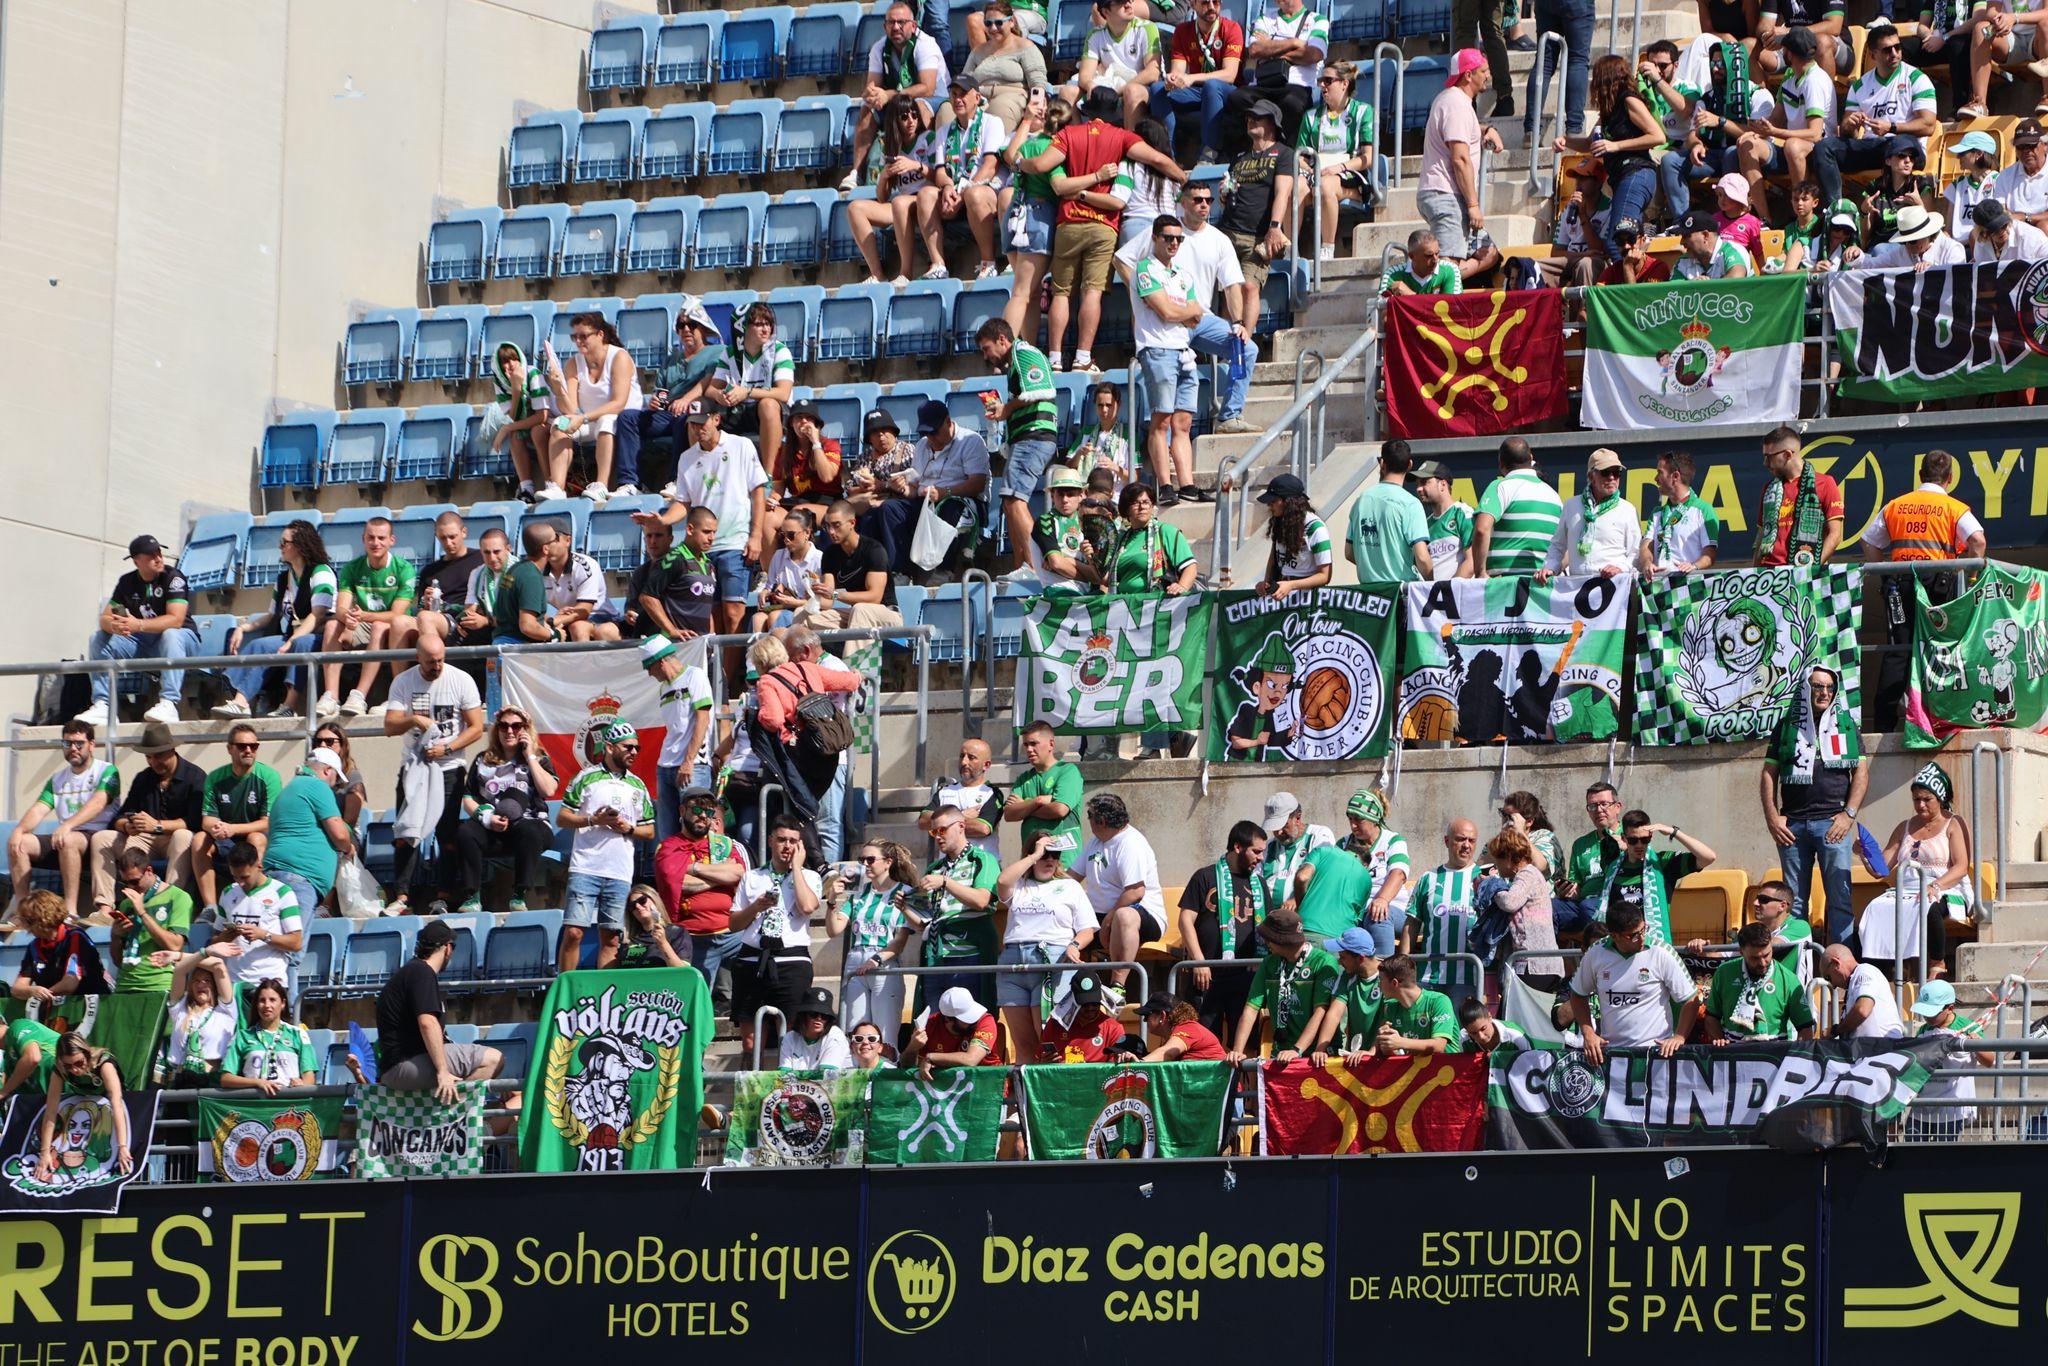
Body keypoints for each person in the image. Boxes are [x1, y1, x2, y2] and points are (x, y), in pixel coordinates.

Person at [1020, 88, 1186, 374]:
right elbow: (1158, 160)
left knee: (1061, 293)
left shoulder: (1068, 134)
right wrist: (1182, 176)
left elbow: (1040, 165)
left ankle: (1055, 359)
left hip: (1068, 220)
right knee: (1092, 293)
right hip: (1103, 224)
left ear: (1087, 111)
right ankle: (1083, 358)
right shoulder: (1122, 136)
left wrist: (1020, 162)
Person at [1114, 181, 1257, 434]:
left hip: (1200, 319)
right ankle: (1165, 444)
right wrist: (1141, 292)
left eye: (1208, 200)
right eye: (1197, 200)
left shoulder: (1219, 240)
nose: (1204, 205)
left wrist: (1238, 324)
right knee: (1167, 405)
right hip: (1165, 323)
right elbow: (1121, 259)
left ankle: (1229, 416)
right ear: (1183, 202)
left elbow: (1232, 285)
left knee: (1246, 349)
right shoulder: (1165, 230)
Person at [1863, 449, 1987, 731]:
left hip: (1900, 586)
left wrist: (1884, 574)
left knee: (1898, 651)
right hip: (1938, 588)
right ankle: (1938, 721)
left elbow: (1869, 542)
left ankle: (1883, 725)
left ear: (1920, 475)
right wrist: (1970, 578)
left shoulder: (1895, 505)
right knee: (1939, 650)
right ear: (1950, 478)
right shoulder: (1954, 508)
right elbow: (1978, 542)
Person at [638, 400, 771, 649]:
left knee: (733, 613)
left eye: (702, 423)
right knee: (711, 616)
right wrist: (663, 520)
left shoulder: (741, 445)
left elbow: (758, 492)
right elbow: (683, 503)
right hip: (702, 549)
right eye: (692, 424)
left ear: (716, 419)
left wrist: (756, 536)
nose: (698, 429)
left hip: (735, 541)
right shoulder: (686, 458)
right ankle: (715, 669)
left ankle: (729, 674)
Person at [1763, 667, 1867, 949]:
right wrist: (1773, 818)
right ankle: (1798, 965)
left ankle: (1841, 965)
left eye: (1830, 687)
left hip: (1833, 825)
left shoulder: (1846, 725)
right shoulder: (1787, 726)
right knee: (1793, 904)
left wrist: (1849, 815)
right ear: (1806, 689)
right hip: (1793, 827)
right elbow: (1769, 773)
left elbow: (1861, 772)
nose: (1824, 693)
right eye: (1818, 686)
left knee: (1840, 901)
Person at [381, 635, 485, 912]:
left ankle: (444, 894)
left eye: (440, 660)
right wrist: (413, 719)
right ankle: (402, 896)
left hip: (449, 767)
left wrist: (448, 748)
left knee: (447, 833)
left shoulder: (460, 680)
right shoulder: (403, 682)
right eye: (430, 662)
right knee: (407, 830)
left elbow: (476, 727)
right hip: (413, 766)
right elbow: (389, 726)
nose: (436, 666)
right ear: (418, 658)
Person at [558, 721, 656, 973]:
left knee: (612, 938)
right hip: (585, 866)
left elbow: (649, 831)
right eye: (628, 747)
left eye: (637, 748)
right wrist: (594, 820)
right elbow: (562, 818)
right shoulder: (585, 777)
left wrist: (628, 828)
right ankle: (566, 987)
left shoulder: (638, 785)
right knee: (574, 932)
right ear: (610, 747)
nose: (634, 752)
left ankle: (605, 993)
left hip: (619, 871)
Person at [1861, 763, 1975, 978]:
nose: (1921, 805)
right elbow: (1881, 870)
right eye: (1916, 800)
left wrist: (1935, 886)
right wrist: (1864, 855)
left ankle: (1937, 963)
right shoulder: (1904, 827)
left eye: (1927, 799)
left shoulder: (1953, 823)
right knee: (1875, 907)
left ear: (1939, 798)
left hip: (1946, 887)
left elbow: (1961, 867)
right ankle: (1881, 970)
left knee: (1929, 906)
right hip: (1907, 889)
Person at [366, 920, 503, 1099]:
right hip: (407, 1064)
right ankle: (453, 1109)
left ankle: (442, 1105)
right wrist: (442, 1071)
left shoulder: (409, 972)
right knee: (494, 1059)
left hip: (394, 1068)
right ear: (447, 948)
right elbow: (427, 1023)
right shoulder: (422, 973)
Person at [1812, 20, 1938, 209]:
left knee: (1898, 142)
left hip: (1907, 148)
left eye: (1897, 47)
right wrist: (1850, 124)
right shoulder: (1860, 86)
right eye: (1887, 50)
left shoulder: (1917, 79)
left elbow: (1928, 125)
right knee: (1824, 147)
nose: (1894, 53)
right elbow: (1848, 134)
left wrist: (1892, 127)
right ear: (1873, 54)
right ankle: (1836, 209)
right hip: (1874, 146)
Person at [1551, 55, 1664, 264]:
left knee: (1617, 241)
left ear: (1608, 79)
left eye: (1598, 79)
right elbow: (1589, 144)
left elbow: (1658, 136)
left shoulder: (1629, 100)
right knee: (1624, 241)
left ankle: (1628, 282)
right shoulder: (1608, 113)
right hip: (1622, 178)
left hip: (1636, 174)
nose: (1595, 86)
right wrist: (1565, 141)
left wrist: (1616, 145)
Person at [216, 519, 333, 719]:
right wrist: (243, 628)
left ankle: (289, 706)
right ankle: (241, 703)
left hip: (320, 637)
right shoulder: (283, 578)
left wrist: (291, 641)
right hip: (293, 635)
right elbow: (271, 615)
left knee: (302, 643)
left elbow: (318, 614)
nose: (280, 547)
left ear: (301, 546)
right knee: (260, 645)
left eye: (285, 543)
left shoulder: (321, 572)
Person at [998, 833, 1100, 1061]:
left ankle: (1049, 1084)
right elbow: (1002, 882)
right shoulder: (1019, 884)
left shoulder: (1069, 886)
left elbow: (1087, 929)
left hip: (1052, 960)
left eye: (1055, 855)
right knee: (1023, 1043)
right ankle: (1025, 1085)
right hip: (1013, 961)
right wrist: (1034, 855)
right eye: (1045, 854)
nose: (1050, 860)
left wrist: (1074, 945)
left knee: (1049, 1042)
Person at [75, 534, 193, 728]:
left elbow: (176, 619)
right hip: (144, 641)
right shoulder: (127, 582)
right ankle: (103, 705)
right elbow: (105, 617)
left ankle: (169, 703)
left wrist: (138, 625)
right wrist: (114, 626)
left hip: (182, 639)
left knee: (170, 634)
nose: (158, 558)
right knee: (98, 638)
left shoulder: (173, 577)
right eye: (151, 556)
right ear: (137, 561)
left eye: (159, 553)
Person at [974, 320, 1065, 571]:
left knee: (1015, 500)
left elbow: (1040, 390)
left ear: (1002, 339)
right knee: (1009, 501)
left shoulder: (1024, 352)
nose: (986, 356)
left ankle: (1036, 565)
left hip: (1034, 437)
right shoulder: (1015, 361)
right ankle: (1020, 565)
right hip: (1027, 438)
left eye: (986, 348)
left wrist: (1006, 408)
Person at [450, 705, 559, 914]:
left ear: (525, 730)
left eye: (516, 726)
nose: (509, 731)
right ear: (497, 729)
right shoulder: (483, 760)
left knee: (529, 831)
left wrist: (530, 756)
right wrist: (487, 818)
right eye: (503, 726)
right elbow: (468, 798)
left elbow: (548, 790)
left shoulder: (539, 758)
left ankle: (519, 894)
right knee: (465, 832)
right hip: (493, 825)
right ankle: (472, 896)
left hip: (530, 823)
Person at [87, 720, 202, 918]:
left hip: (175, 840)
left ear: (172, 750)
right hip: (144, 840)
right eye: (149, 757)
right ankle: (105, 909)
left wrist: (157, 826)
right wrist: (127, 826)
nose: (153, 762)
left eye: (158, 756)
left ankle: (169, 903)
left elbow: (196, 821)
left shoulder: (195, 776)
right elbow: (119, 817)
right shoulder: (143, 778)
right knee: (101, 838)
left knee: (183, 836)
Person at [729, 815, 824, 1054]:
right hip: (752, 959)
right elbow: (733, 924)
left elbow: (807, 907)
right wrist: (756, 907)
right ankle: (752, 1077)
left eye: (793, 841)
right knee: (750, 1042)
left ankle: (788, 1078)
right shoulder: (752, 877)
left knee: (791, 1035)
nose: (787, 846)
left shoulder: (810, 876)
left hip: (791, 960)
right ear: (771, 840)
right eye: (782, 840)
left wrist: (797, 868)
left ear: (800, 846)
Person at [8, 720, 117, 920]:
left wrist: (68, 825)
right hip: (67, 838)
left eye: (79, 743)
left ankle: (70, 912)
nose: (73, 748)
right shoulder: (57, 779)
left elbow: (99, 803)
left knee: (69, 839)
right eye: (67, 743)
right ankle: (24, 913)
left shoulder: (107, 770)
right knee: (19, 843)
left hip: (98, 840)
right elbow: (39, 809)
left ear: (91, 745)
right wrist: (19, 830)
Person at [1131, 216, 1206, 505]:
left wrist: (1178, 310)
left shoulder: (1183, 275)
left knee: (1183, 423)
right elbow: (1167, 312)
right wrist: (1180, 309)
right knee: (1161, 420)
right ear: (1155, 237)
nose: (1174, 243)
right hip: (1157, 349)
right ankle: (1164, 485)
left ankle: (1186, 483)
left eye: (1178, 238)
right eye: (1168, 237)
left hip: (1183, 350)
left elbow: (1196, 316)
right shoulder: (1145, 268)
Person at [1568, 901, 1699, 1062]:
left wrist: (1679, 1037)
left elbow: (1691, 999)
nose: (1641, 938)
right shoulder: (1595, 953)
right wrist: (1588, 1033)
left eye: (1643, 930)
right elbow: (1578, 995)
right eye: (1633, 935)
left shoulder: (1661, 952)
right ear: (1614, 935)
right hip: (1612, 1054)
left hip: (1656, 1053)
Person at [619, 300, 725, 497]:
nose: (686, 329)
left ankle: (677, 480)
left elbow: (708, 381)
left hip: (698, 410)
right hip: (667, 413)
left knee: (686, 418)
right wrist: (654, 402)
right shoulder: (671, 359)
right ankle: (630, 483)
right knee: (627, 418)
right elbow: (660, 391)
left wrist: (685, 400)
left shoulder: (717, 352)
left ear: (703, 328)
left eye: (692, 325)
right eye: (681, 326)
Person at [314, 518, 418, 718]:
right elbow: (340, 608)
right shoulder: (352, 568)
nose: (375, 543)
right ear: (363, 539)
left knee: (378, 626)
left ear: (392, 541)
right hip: (363, 623)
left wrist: (364, 616)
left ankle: (358, 696)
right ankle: (331, 697)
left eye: (381, 538)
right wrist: (348, 618)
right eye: (371, 538)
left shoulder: (404, 569)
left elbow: (397, 614)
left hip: (393, 628)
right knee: (332, 625)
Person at [1417, 51, 1506, 277]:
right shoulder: (1456, 104)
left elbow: (1464, 131)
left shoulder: (1453, 100)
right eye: (1483, 71)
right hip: (1446, 196)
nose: (1488, 76)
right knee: (1446, 266)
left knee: (1488, 252)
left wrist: (1487, 130)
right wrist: (1473, 205)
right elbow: (1460, 158)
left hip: (1444, 194)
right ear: (1468, 75)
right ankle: (1430, 290)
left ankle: (1449, 280)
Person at [1176, 819, 1269, 1030]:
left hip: (1246, 976)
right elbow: (1185, 920)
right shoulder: (1204, 877)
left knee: (1246, 1042)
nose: (1261, 858)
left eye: (1262, 852)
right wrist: (1199, 962)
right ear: (1237, 847)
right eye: (1256, 851)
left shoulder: (1260, 883)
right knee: (1205, 1040)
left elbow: (1267, 927)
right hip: (1207, 976)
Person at [1217, 101, 1298, 341]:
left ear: (1272, 123)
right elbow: (1229, 194)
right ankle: (1226, 346)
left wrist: (1275, 227)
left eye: (1258, 117)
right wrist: (1223, 194)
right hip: (1228, 231)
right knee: (1229, 292)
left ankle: (1245, 342)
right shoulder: (1239, 157)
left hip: (1257, 235)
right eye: (1249, 116)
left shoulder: (1284, 153)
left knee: (1250, 287)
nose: (1251, 120)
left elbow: (1283, 193)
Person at [1292, 789, 1409, 954]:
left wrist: (1382, 899)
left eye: (1358, 820)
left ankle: (1385, 966)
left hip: (1390, 907)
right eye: (1350, 819)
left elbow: (1398, 874)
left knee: (1378, 916)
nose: (1353, 826)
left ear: (1374, 819)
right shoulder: (1343, 844)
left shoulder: (1392, 841)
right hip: (1354, 910)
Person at [848, 1, 949, 192]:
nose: (896, 27)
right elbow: (872, 85)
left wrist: (889, 95)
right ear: (884, 26)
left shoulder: (926, 44)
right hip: (898, 101)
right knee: (867, 110)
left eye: (901, 22)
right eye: (891, 22)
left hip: (936, 99)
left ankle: (926, 165)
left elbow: (927, 88)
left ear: (914, 25)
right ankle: (856, 173)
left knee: (918, 106)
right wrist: (872, 95)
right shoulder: (879, 48)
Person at [186, 724, 280, 917]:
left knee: (256, 838)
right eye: (242, 746)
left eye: (254, 746)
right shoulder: (215, 778)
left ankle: (254, 898)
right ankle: (210, 908)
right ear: (230, 748)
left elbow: (267, 822)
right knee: (199, 839)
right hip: (225, 839)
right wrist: (218, 828)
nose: (249, 750)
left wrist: (233, 828)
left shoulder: (269, 777)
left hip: (255, 837)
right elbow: (207, 820)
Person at [833, 839, 924, 1035]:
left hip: (884, 962)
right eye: (862, 860)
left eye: (870, 859)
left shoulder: (905, 892)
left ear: (888, 862)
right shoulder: (858, 893)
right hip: (855, 960)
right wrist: (832, 900)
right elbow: (834, 929)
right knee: (855, 1032)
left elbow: (900, 942)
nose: (865, 864)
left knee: (885, 1034)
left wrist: (875, 960)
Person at [1225, 909, 1339, 1062]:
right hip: (1281, 1053)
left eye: (1268, 938)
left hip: (1317, 1055)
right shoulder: (1269, 963)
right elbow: (1251, 1008)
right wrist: (1237, 1051)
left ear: (1282, 940)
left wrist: (1297, 1049)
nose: (1265, 943)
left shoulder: (1323, 962)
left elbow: (1320, 1011)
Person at [1071, 793, 1161, 985]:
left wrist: (1108, 921)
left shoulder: (1131, 843)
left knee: (1123, 916)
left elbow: (1135, 892)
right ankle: (1070, 987)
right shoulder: (1096, 841)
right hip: (1100, 916)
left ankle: (1117, 985)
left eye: (1089, 816)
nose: (1088, 821)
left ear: (1102, 821)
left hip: (1141, 915)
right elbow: (1071, 878)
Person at [851, 96, 942, 285]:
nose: (911, 121)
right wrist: (884, 176)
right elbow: (882, 198)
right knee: (855, 208)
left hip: (928, 199)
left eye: (914, 115)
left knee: (899, 203)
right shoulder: (891, 147)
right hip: (904, 204)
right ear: (895, 120)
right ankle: (877, 274)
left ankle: (905, 273)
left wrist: (917, 166)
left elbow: (940, 177)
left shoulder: (928, 138)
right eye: (904, 117)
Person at [1596, 808, 1717, 950]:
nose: (1639, 845)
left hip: (1653, 946)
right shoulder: (1613, 866)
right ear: (1624, 838)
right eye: (1633, 840)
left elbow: (1708, 857)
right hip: (1618, 948)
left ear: (1651, 836)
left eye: (1644, 840)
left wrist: (1673, 832)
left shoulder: (1662, 863)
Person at [1732, 26, 1832, 197]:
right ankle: (1760, 212)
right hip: (1791, 147)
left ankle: (1802, 207)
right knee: (1748, 144)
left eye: (1784, 48)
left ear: (1790, 54)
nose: (1782, 51)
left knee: (1792, 146)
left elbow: (1815, 134)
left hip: (1818, 149)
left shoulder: (1814, 80)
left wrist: (1774, 132)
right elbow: (1775, 120)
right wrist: (1756, 131)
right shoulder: (1789, 79)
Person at [919, 805, 1003, 1007]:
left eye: (942, 830)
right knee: (935, 1021)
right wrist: (905, 906)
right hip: (936, 956)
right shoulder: (935, 869)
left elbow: (981, 900)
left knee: (971, 1018)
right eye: (933, 832)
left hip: (970, 955)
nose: (938, 837)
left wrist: (946, 882)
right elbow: (924, 922)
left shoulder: (982, 859)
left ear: (961, 826)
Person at [1296, 60, 1378, 262]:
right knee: (1296, 186)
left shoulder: (1363, 111)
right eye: (1320, 81)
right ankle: (1290, 250)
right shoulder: (1311, 116)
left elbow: (1368, 157)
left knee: (1326, 185)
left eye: (1328, 80)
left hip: (1351, 173)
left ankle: (1327, 248)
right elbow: (1299, 156)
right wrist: (1311, 170)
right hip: (1317, 172)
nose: (1322, 85)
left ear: (1344, 84)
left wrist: (1339, 167)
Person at [262, 746, 356, 921]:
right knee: (293, 937)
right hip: (298, 878)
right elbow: (340, 835)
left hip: (279, 874)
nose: (334, 785)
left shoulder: (290, 788)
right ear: (327, 770)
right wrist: (348, 847)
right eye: (336, 778)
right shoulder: (317, 786)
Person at [1223, 0, 1329, 152]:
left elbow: (1313, 54)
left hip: (1297, 84)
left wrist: (1271, 48)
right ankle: (1245, 153)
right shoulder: (1264, 19)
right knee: (1237, 97)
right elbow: (1255, 50)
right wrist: (1294, 42)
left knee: (1292, 103)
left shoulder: (1317, 20)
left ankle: (1286, 152)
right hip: (1264, 83)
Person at [706, 303, 793, 478]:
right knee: (699, 409)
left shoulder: (779, 350)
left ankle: (770, 476)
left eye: (768, 324)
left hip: (774, 413)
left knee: (767, 405)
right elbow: (710, 389)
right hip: (739, 410)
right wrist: (720, 396)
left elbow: (783, 393)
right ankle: (704, 474)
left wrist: (746, 392)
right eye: (759, 324)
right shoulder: (730, 353)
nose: (766, 329)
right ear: (742, 328)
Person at [1149, 0, 1243, 160]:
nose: (1212, 7)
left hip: (1227, 92)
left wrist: (1191, 78)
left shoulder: (1231, 28)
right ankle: (1167, 154)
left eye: (1216, 2)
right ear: (1193, 5)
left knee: (1212, 86)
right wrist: (1173, 79)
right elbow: (1178, 71)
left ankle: (1208, 154)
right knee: (1157, 89)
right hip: (1197, 91)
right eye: (1205, 3)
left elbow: (1229, 75)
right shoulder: (1182, 30)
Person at [34, 1037, 133, 1186]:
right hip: (86, 1115)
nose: (75, 1070)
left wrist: (123, 1146)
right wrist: (45, 1152)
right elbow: (51, 1112)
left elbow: (116, 1104)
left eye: (79, 1063)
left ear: (87, 1054)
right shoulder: (60, 1070)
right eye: (68, 1066)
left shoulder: (104, 1064)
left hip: (115, 1119)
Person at [1406, 819, 1481, 1004]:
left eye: (1471, 840)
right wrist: (1404, 964)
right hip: (1428, 977)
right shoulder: (1428, 878)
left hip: (1467, 979)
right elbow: (1412, 923)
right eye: (1461, 839)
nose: (1466, 845)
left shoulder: (1483, 879)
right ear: (1447, 841)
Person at [1703, 920, 1817, 1042]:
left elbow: (1805, 1028)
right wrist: (1719, 1040)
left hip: (1774, 1051)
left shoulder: (1788, 979)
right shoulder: (1724, 973)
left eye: (1766, 955)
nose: (1762, 963)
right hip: (1732, 1050)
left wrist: (1797, 1053)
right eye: (1755, 958)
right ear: (1741, 952)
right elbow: (1711, 1017)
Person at [216, 842, 304, 1001]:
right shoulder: (228, 892)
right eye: (235, 877)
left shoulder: (282, 892)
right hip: (233, 984)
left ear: (259, 866)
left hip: (269, 985)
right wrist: (225, 937)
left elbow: (296, 943)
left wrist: (264, 935)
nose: (240, 883)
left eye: (245, 877)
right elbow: (214, 940)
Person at [1907, 980, 1993, 1140]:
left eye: (1932, 1012)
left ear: (1950, 1008)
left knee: (1944, 1150)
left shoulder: (1969, 1027)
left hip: (1952, 1108)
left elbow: (1989, 1061)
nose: (1927, 1017)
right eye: (1924, 1012)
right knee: (1911, 1148)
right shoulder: (1924, 1029)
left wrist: (1976, 1045)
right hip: (1923, 1105)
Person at [1539, 448, 1640, 581]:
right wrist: (1549, 568)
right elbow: (1558, 546)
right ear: (1591, 477)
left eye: (1616, 473)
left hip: (1613, 586)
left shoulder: (1627, 509)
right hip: (1577, 587)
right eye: (1605, 472)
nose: (1611, 478)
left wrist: (1620, 567)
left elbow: (1636, 553)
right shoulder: (1571, 505)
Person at [1753, 425, 1842, 567]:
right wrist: (1755, 573)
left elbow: (1835, 535)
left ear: (1788, 454)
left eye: (1769, 457)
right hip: (1768, 573)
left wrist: (1812, 569)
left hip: (1803, 569)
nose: (1765, 463)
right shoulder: (1769, 488)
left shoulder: (1825, 483)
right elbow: (1761, 536)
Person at [1472, 439, 1562, 578]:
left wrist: (1480, 573)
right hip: (1541, 584)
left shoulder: (1500, 487)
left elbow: (1481, 529)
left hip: (1504, 584)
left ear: (1501, 464)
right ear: (1531, 458)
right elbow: (1565, 546)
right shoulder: (1554, 496)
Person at [485, 341, 562, 501]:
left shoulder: (532, 373)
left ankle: (550, 483)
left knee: (536, 431)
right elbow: (513, 418)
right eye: (505, 361)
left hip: (556, 420)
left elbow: (542, 416)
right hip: (531, 422)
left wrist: (507, 427)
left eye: (514, 358)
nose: (511, 364)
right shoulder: (500, 383)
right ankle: (527, 489)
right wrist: (516, 390)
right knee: (516, 434)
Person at [147, 948, 235, 1087]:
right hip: (180, 1081)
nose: (201, 984)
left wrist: (178, 955)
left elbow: (218, 965)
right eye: (196, 981)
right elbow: (180, 970)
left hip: (210, 1081)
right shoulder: (180, 1009)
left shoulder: (225, 1010)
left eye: (207, 980)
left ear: (214, 985)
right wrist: (185, 958)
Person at [1067, 0, 1163, 127]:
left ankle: (1130, 139)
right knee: (1068, 92)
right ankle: (1078, 138)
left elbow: (1153, 73)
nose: (1128, 5)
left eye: (1129, 0)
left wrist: (1118, 91)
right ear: (1106, 12)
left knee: (1131, 91)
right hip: (1109, 88)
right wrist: (1091, 86)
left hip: (1140, 88)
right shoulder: (1095, 35)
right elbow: (1084, 76)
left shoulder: (1147, 28)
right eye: (1121, 2)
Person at [1487, 827, 1564, 979]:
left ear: (1509, 857)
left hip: (1537, 965)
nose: (1496, 864)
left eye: (1498, 859)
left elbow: (1509, 902)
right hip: (1537, 963)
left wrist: (1492, 884)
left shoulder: (1527, 873)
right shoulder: (1528, 874)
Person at [1005, 721, 1084, 865]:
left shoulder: (1068, 771)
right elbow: (1009, 814)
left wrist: (1025, 806)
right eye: (1026, 745)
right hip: (1033, 861)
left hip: (1063, 861)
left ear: (1051, 744)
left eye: (1033, 743)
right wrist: (1038, 801)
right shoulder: (1024, 778)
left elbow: (1059, 809)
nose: (1029, 749)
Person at [219, 978, 316, 1095]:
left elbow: (309, 1077)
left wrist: (301, 1084)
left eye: (272, 1000)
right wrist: (257, 1082)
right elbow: (226, 1079)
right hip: (255, 1102)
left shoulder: (298, 1034)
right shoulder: (242, 1036)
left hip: (289, 1102)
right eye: (262, 1000)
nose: (267, 1005)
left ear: (283, 1003)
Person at [634, 509, 717, 645]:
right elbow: (647, 597)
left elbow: (707, 608)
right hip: (677, 645)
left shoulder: (709, 564)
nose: (711, 537)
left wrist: (711, 637)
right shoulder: (673, 559)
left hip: (701, 645)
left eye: (714, 532)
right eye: (706, 532)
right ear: (690, 529)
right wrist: (672, 631)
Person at [1301, 926, 1382, 1062]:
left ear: (1360, 958)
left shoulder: (1388, 976)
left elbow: (1389, 1020)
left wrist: (1373, 1051)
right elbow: (1334, 1014)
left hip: (1384, 1055)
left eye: (1343, 957)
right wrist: (1320, 1050)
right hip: (1356, 1055)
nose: (1339, 961)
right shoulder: (1346, 976)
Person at [962, 3, 1047, 131]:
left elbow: (1038, 83)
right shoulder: (978, 51)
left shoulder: (1025, 47)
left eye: (999, 23)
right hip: (980, 99)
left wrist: (1036, 108)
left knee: (998, 108)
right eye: (988, 23)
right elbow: (965, 80)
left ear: (1011, 22)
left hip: (1012, 97)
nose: (993, 28)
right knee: (948, 110)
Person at [13, 890, 109, 1002]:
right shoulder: (34, 946)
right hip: (57, 1005)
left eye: (28, 921)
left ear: (44, 918)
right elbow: (17, 988)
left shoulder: (75, 937)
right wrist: (31, 991)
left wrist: (43, 995)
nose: (26, 927)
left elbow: (70, 983)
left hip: (89, 1003)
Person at [1106, 482, 1199, 595]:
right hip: (1124, 603)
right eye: (1135, 503)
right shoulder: (1120, 539)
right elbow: (1108, 578)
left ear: (1152, 506)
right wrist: (1091, 558)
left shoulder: (1166, 532)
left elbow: (1190, 567)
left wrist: (1181, 587)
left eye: (1146, 502)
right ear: (1126, 509)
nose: (1142, 507)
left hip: (1157, 602)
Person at [1557, 781, 1623, 936]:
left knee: (1588, 906)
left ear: (1618, 807)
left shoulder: (1631, 836)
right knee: (1549, 908)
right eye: (1592, 806)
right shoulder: (1580, 844)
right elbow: (1577, 885)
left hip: (1617, 903)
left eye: (1604, 804)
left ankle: (1601, 950)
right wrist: (1567, 891)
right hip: (1583, 904)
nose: (1598, 810)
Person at [1640, 449, 1720, 577]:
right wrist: (1647, 563)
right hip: (1659, 585)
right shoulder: (1657, 513)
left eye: (1660, 473)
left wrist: (1694, 566)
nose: (1655, 479)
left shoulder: (1703, 510)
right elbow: (1646, 546)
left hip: (1688, 583)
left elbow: (1710, 553)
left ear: (1675, 476)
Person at [412, 512, 486, 648]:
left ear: (464, 532)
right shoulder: (429, 572)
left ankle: (434, 657)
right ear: (437, 537)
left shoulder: (481, 559)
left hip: (468, 620)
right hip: (439, 619)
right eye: (443, 538)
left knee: (426, 618)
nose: (448, 543)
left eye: (452, 537)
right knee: (400, 622)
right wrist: (426, 604)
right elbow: (421, 611)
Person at [1254, 473, 1333, 599]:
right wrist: (1266, 582)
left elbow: (1324, 576)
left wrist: (1291, 585)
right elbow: (1273, 558)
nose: (1269, 505)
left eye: (1273, 501)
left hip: (1308, 599)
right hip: (1284, 594)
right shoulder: (1281, 522)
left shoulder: (1316, 528)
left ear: (1289, 502)